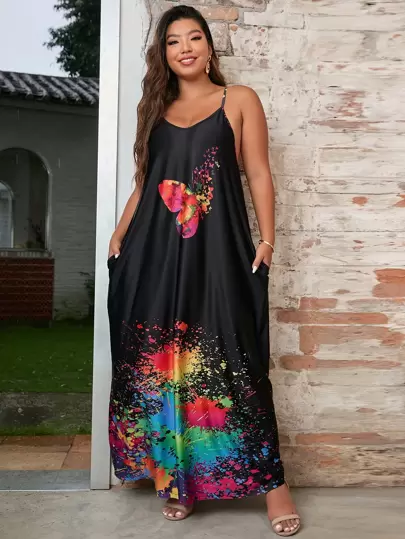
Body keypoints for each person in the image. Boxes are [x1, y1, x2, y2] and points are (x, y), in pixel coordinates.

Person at [107, 4, 301, 536]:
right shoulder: (155, 108)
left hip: (218, 254)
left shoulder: (238, 100)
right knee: (165, 364)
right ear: (163, 53)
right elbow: (146, 184)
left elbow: (258, 172)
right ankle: (179, 482)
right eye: (173, 41)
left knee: (235, 358)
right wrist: (120, 234)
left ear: (210, 47)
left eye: (194, 37)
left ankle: (273, 487)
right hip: (155, 254)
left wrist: (267, 239)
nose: (185, 48)